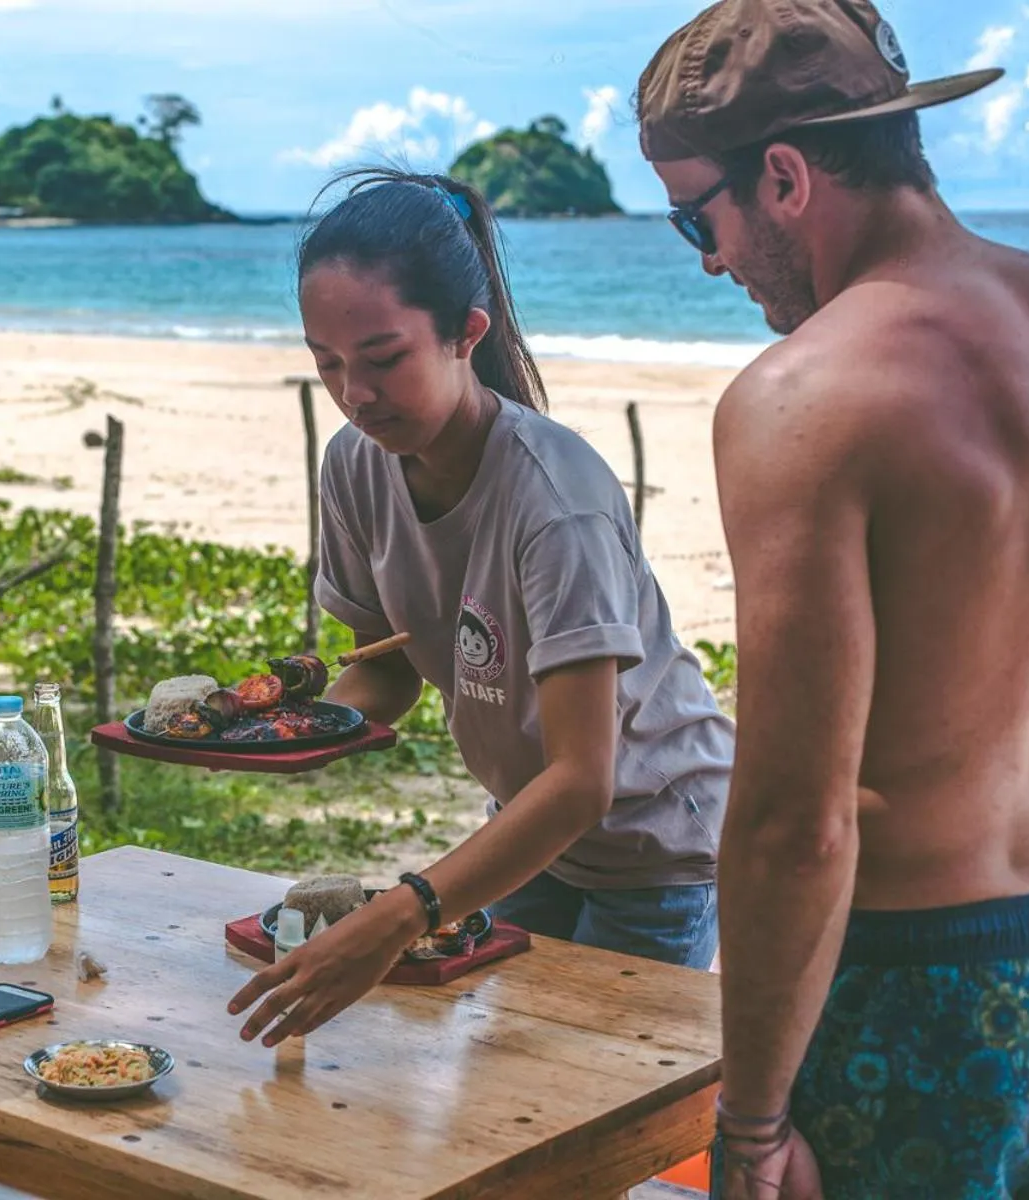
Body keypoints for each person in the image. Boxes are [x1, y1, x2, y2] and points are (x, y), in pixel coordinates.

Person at [636, 2, 1029, 1196]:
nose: (709, 259)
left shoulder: (807, 400)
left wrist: (748, 1124)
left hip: (918, 997)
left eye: (701, 216)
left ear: (782, 176)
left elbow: (797, 819)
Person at [228, 170, 735, 1047]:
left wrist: (402, 912)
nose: (355, 393)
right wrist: (275, 729)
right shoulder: (355, 465)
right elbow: (383, 672)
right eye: (328, 364)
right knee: (502, 1085)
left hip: (654, 844)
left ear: (468, 334)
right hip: (532, 828)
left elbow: (585, 779)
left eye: (384, 359)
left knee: (580, 1105)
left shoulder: (555, 498)